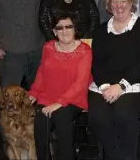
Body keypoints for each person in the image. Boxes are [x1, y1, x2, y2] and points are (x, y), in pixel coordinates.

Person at [88, 0, 140, 160]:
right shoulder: (101, 30)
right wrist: (105, 86)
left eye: (123, 0)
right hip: (105, 86)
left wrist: (121, 86)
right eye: (114, 1)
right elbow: (97, 64)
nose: (119, 5)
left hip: (137, 84)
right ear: (109, 5)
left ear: (131, 2)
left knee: (123, 113)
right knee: (98, 116)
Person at [28, 13, 92, 160]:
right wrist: (34, 92)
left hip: (74, 98)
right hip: (48, 96)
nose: (65, 31)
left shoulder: (84, 51)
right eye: (60, 27)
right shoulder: (48, 47)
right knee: (40, 122)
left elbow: (80, 84)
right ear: (54, 31)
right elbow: (42, 73)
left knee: (61, 117)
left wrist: (59, 103)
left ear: (75, 29)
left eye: (69, 26)